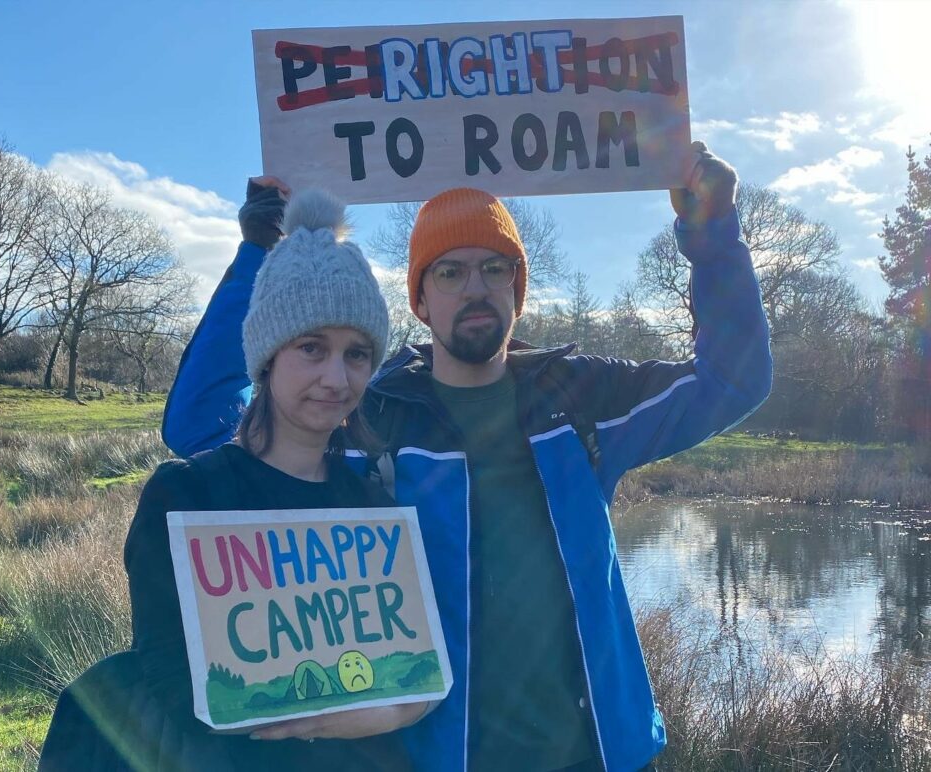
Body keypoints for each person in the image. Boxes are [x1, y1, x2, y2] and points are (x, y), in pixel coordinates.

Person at [161, 143, 773, 772]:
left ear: (519, 289)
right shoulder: (369, 416)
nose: (475, 288)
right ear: (421, 301)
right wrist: (260, 248)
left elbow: (735, 379)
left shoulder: (582, 399)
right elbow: (200, 426)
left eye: (495, 268)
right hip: (433, 759)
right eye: (449, 272)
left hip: (599, 756)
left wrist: (713, 233)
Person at [39, 190, 420, 772]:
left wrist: (394, 713)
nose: (336, 378)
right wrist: (316, 718)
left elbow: (411, 670)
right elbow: (173, 681)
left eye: (358, 353)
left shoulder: (371, 507)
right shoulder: (185, 497)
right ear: (267, 357)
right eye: (311, 347)